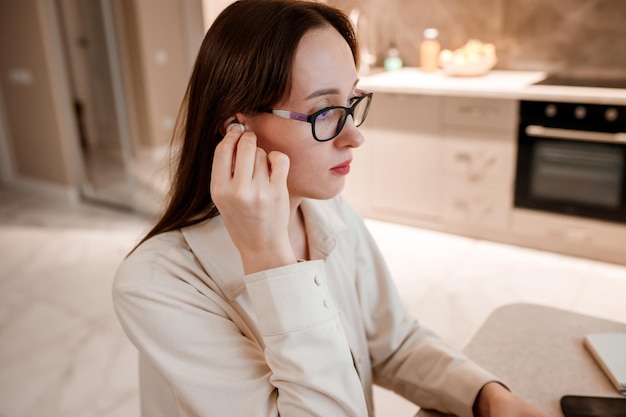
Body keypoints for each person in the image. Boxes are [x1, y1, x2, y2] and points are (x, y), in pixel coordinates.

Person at [112, 1, 551, 416]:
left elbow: (393, 343)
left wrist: (486, 397)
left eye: (352, 102)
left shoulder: (330, 214)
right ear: (236, 129)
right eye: (324, 112)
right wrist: (270, 259)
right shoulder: (157, 285)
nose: (354, 136)